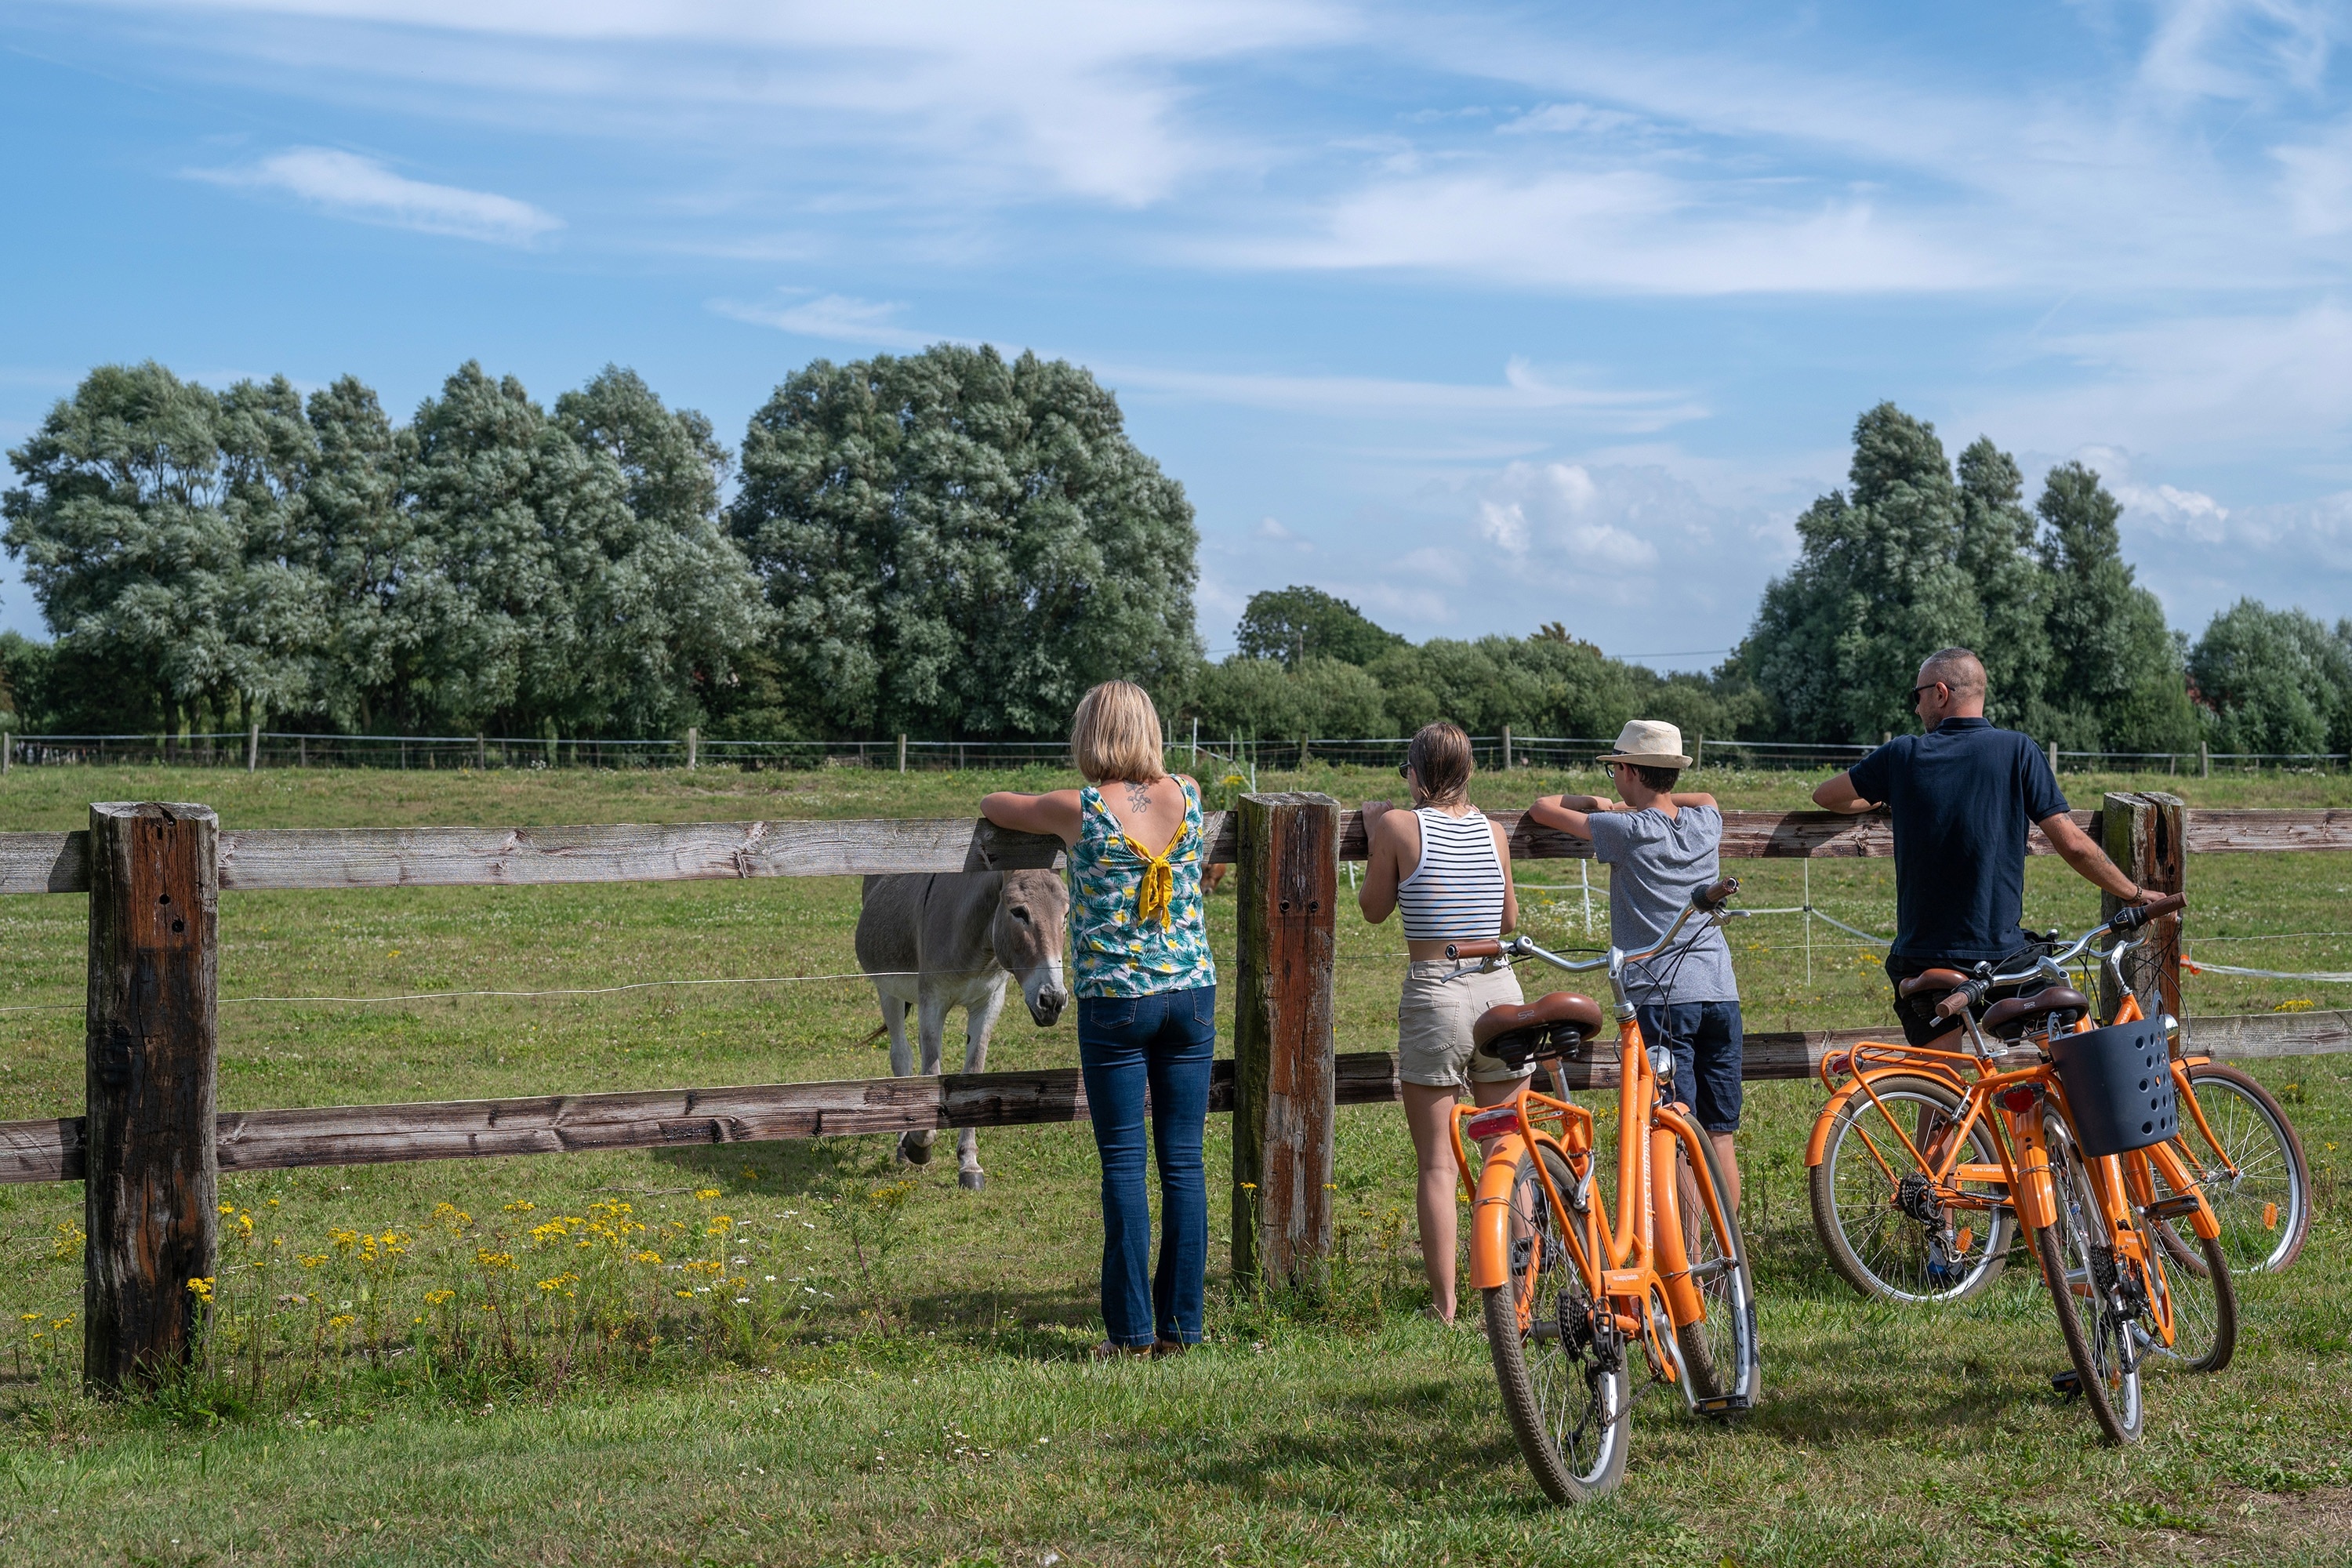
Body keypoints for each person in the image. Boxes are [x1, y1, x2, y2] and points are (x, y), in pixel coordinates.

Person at [982, 681, 1215, 1359]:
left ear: (1090, 736)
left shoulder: (1077, 809)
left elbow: (995, 805)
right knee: (1184, 1164)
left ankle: (1132, 1334)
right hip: (1192, 992)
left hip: (1118, 1000)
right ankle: (1182, 1328)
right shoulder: (1189, 793)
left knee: (1122, 1163)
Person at [1811, 647, 2147, 1044]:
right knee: (2060, 1058)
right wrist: (2136, 894)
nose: (1916, 709)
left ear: (1940, 693)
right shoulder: (2018, 750)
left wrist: (1889, 795)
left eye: (1916, 695)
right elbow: (2072, 843)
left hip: (1922, 955)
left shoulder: (1902, 755)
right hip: (2000, 954)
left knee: (1939, 1085)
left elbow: (1826, 796)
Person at [1528, 718, 1744, 1210]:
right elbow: (1706, 796)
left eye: (1616, 771)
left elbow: (1544, 809)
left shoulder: (1623, 829)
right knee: (1719, 1134)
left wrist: (1604, 805)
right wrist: (1642, 798)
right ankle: (1728, 1260)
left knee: (1675, 1131)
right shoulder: (1705, 823)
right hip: (1719, 990)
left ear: (1627, 770)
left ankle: (1690, 1261)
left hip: (1662, 995)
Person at [1356, 721, 1523, 1325]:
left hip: (1437, 990)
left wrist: (1378, 831)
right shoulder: (1494, 831)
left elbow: (1374, 910)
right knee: (1508, 1149)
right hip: (1499, 987)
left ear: (1417, 773)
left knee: (1437, 1162)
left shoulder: (1400, 825)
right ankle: (1516, 1293)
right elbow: (1506, 914)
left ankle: (1447, 1305)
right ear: (1470, 772)